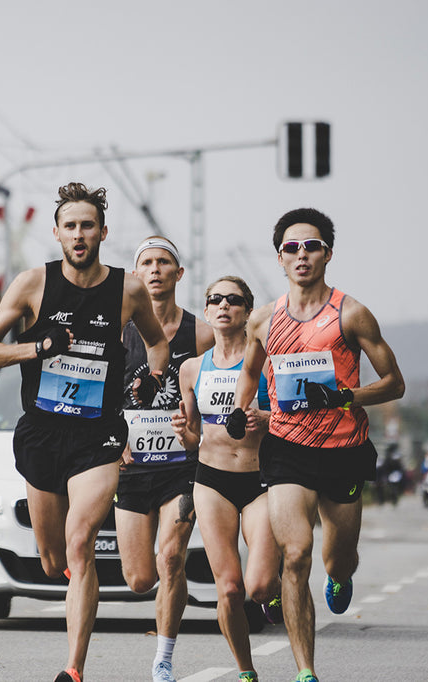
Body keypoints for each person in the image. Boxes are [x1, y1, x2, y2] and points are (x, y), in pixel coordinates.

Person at [0, 182, 169, 682]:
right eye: (70, 227)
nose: (79, 235)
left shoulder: (127, 289)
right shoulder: (32, 284)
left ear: (103, 232)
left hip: (98, 437)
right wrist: (37, 349)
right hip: (41, 432)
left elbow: (157, 344)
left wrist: (150, 378)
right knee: (51, 557)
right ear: (57, 234)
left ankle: (73, 669)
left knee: (80, 545)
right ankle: (65, 576)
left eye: (88, 226)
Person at [228, 208, 405, 682]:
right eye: (291, 247)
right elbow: (248, 374)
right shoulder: (264, 320)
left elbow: (394, 384)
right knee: (296, 553)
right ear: (279, 258)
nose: (301, 254)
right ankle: (305, 670)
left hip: (344, 448)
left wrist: (346, 396)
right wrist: (243, 410)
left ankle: (341, 575)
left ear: (327, 253)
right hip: (287, 448)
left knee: (338, 555)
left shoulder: (351, 313)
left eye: (311, 246)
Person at [171, 276, 281, 682]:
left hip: (260, 481)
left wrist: (266, 419)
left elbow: (293, 417)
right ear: (206, 310)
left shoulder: (264, 365)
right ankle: (246, 671)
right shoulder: (191, 369)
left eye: (233, 300)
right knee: (230, 589)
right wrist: (183, 430)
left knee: (258, 586)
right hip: (211, 480)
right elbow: (194, 436)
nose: (223, 306)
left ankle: (275, 587)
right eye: (214, 299)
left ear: (247, 312)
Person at [116, 236, 213, 682]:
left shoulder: (202, 333)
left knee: (171, 557)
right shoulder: (120, 331)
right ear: (136, 275)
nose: (155, 270)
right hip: (133, 469)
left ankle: (164, 659)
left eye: (164, 262)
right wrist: (112, 440)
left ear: (179, 274)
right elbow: (98, 393)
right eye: (147, 263)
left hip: (183, 467)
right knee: (139, 578)